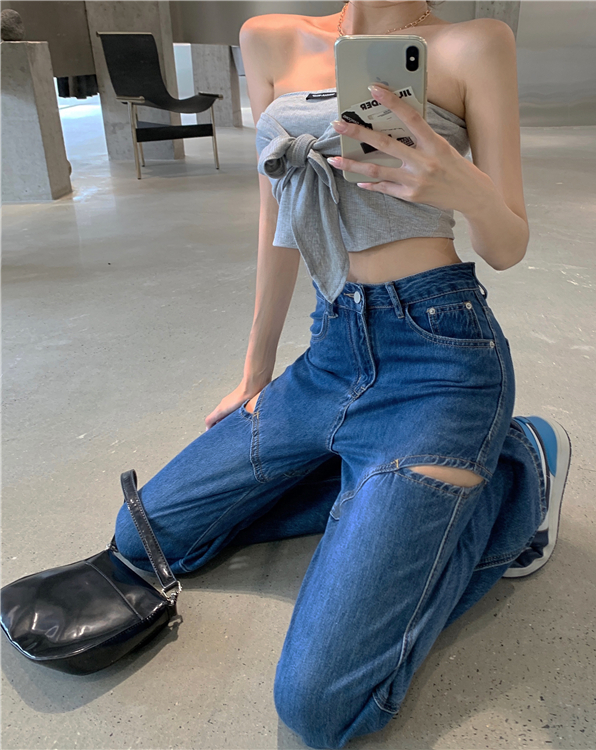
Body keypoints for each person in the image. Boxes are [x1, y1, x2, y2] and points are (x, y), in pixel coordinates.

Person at [114, 2, 572, 748]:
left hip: (438, 362)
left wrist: (461, 185)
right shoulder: (269, 38)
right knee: (142, 540)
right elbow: (277, 212)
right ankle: (387, 492)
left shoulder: (473, 44)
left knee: (319, 706)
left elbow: (507, 243)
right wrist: (255, 369)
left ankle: (518, 471)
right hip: (329, 353)